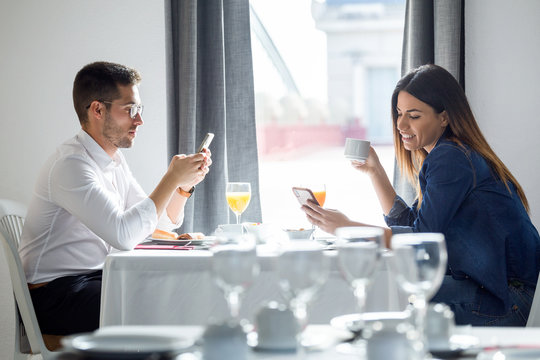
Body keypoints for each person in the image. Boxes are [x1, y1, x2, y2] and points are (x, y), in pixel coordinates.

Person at [302, 64, 540, 326]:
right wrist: (376, 172)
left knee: (385, 295)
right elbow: (411, 224)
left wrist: (348, 229)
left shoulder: (451, 157)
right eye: (399, 113)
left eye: (414, 116)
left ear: (444, 117)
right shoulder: (450, 154)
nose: (401, 124)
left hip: (506, 299)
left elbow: (419, 239)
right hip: (499, 291)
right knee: (389, 287)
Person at [19, 61, 212, 339]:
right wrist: (169, 178)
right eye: (130, 109)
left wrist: (182, 187)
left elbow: (153, 222)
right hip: (56, 296)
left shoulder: (113, 160)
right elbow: (124, 236)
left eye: (139, 110)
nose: (139, 120)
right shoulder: (71, 165)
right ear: (98, 109)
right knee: (165, 303)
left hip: (92, 281)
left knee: (179, 288)